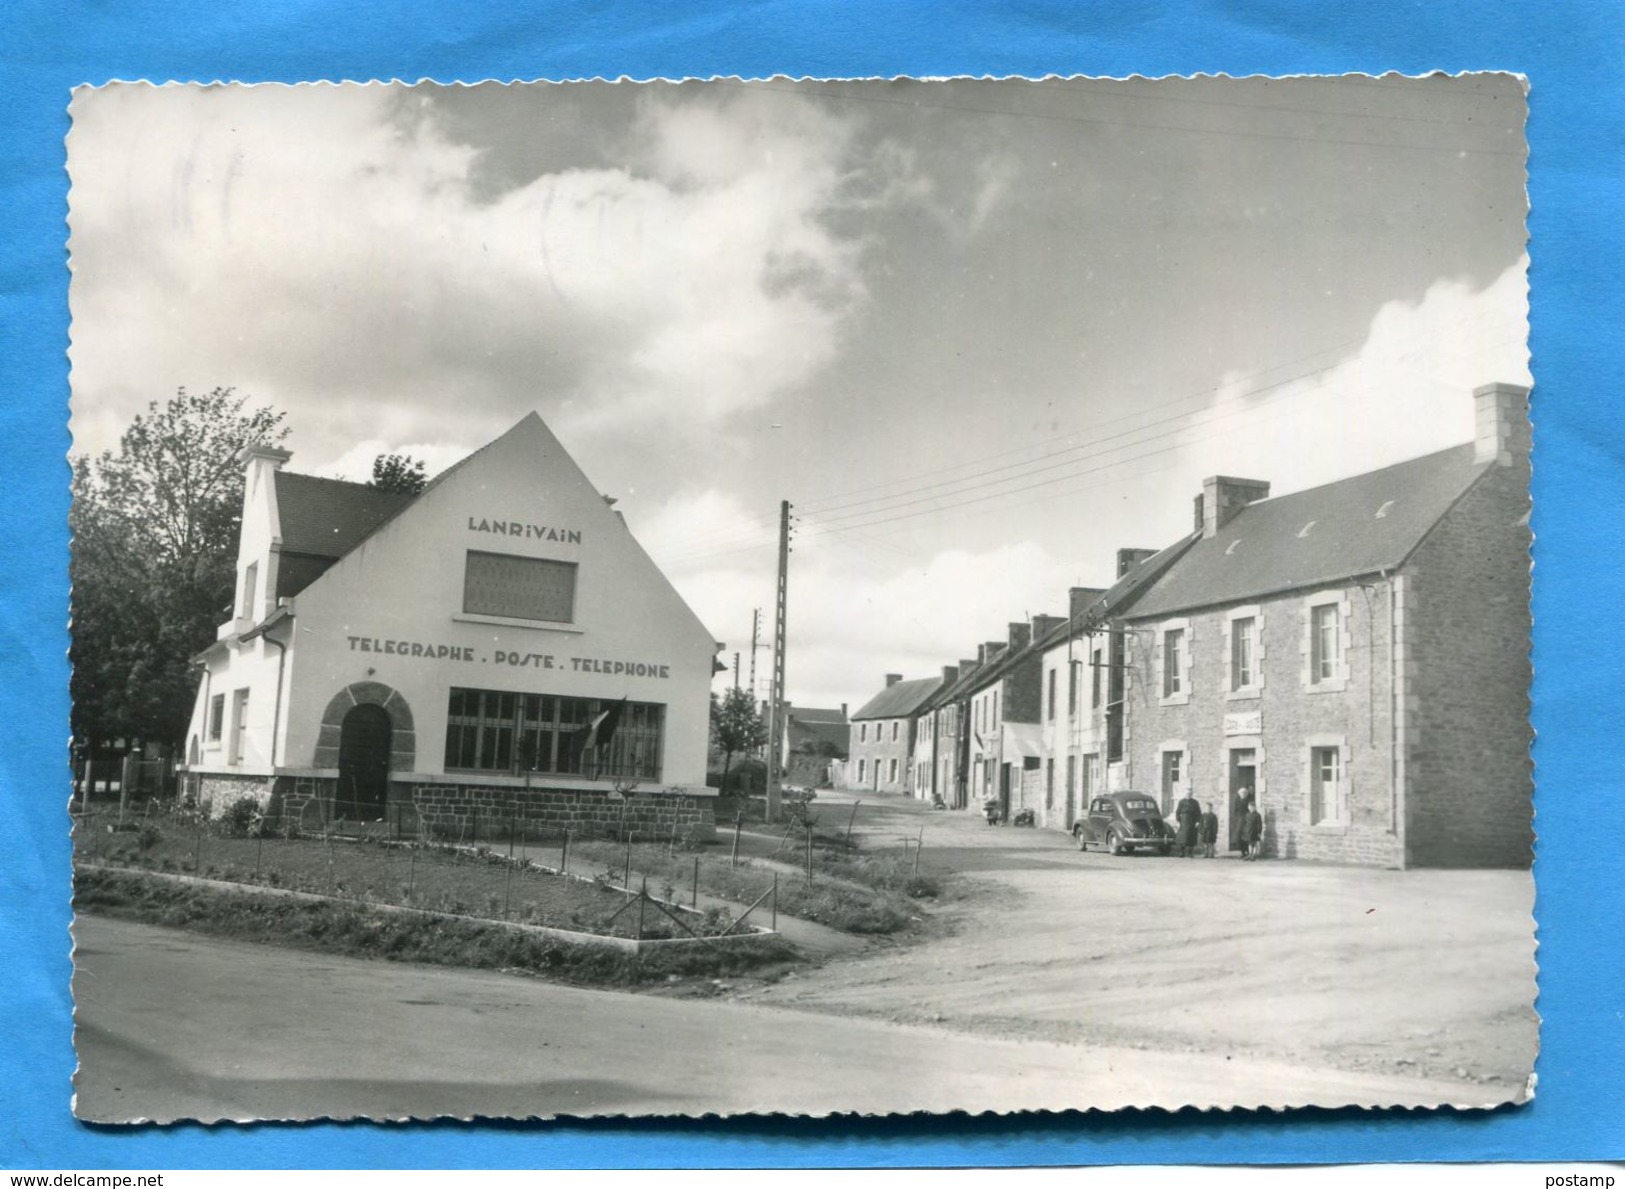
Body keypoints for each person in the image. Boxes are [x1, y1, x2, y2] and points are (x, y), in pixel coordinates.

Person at [1174, 791, 1201, 858]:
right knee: (1182, 837)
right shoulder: (1181, 802)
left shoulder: (1195, 802)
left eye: (1189, 794)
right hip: (1183, 821)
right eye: (1187, 794)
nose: (1188, 795)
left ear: (1191, 794)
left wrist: (1198, 821)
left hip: (1192, 820)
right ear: (1185, 794)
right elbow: (1178, 811)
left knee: (1191, 837)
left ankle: (1190, 853)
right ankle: (1182, 852)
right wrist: (1177, 820)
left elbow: (1198, 812)